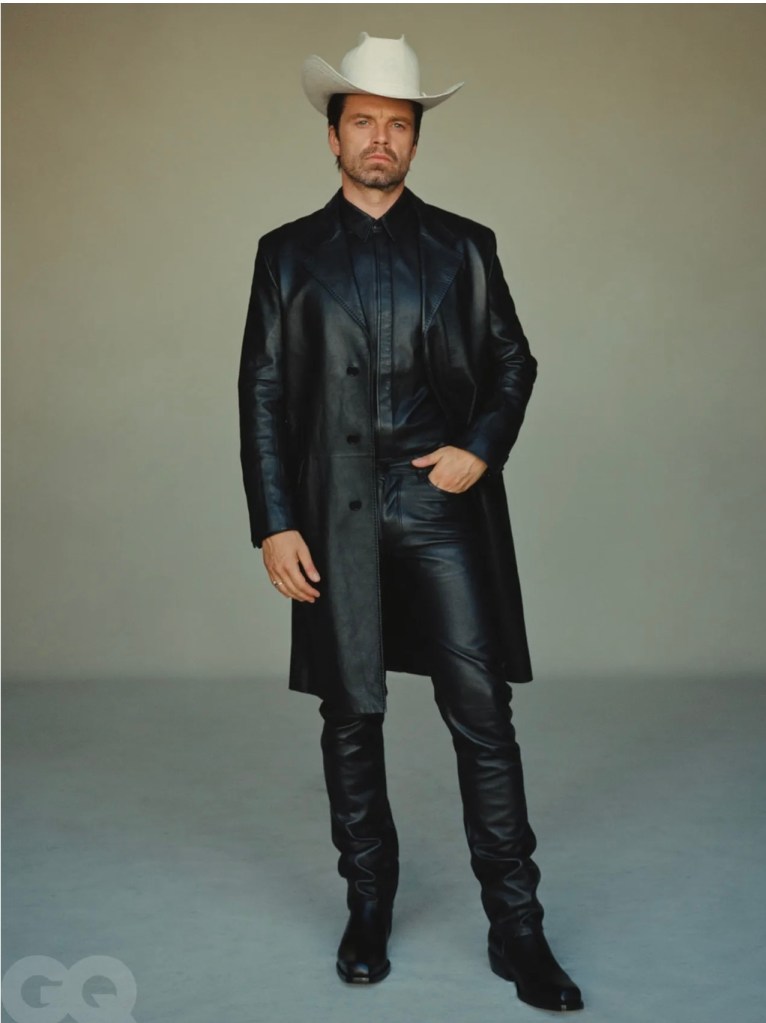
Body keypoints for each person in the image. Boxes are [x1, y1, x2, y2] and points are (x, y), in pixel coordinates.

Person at [238, 31, 583, 1014]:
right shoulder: (286, 254)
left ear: (415, 140)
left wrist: (481, 444)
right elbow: (261, 393)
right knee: (351, 714)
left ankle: (517, 928)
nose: (379, 139)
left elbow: (513, 361)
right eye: (363, 123)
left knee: (482, 713)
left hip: (440, 504)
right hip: (331, 512)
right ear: (334, 136)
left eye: (397, 124)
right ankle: (369, 906)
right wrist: (273, 522)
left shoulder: (464, 246)